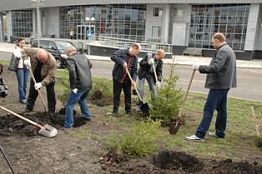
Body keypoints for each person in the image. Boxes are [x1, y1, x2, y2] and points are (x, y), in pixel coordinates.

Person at [186, 32, 237, 141]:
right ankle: (220, 132)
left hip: (218, 85)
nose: (212, 44)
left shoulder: (223, 51)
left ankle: (199, 134)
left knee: (208, 109)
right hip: (225, 84)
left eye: (213, 42)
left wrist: (199, 67)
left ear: (218, 40)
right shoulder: (229, 49)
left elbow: (216, 67)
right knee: (222, 109)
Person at [22, 48, 57, 123]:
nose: (43, 62)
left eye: (44, 60)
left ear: (46, 56)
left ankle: (51, 112)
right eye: (41, 60)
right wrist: (25, 59)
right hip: (35, 76)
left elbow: (50, 76)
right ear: (37, 56)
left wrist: (41, 83)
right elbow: (24, 50)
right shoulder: (34, 51)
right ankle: (29, 108)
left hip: (48, 79)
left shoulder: (52, 61)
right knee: (32, 93)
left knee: (51, 95)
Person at [62, 46, 93, 128]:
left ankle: (68, 125)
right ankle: (87, 116)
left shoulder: (71, 59)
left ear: (68, 53)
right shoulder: (84, 56)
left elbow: (72, 72)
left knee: (69, 105)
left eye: (66, 54)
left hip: (79, 85)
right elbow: (90, 65)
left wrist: (73, 87)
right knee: (82, 99)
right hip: (88, 84)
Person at [108, 43, 141, 115]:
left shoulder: (135, 58)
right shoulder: (122, 52)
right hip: (118, 77)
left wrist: (134, 80)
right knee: (116, 94)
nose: (138, 53)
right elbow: (113, 56)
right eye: (138, 51)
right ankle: (115, 111)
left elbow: (135, 71)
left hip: (127, 80)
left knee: (128, 94)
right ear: (134, 48)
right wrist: (122, 62)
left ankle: (128, 110)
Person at [12, 38, 29, 104]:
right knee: (21, 84)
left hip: (26, 68)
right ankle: (22, 98)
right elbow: (17, 55)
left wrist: (29, 64)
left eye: (24, 43)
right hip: (20, 68)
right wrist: (23, 51)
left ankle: (23, 97)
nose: (23, 44)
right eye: (21, 42)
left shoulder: (26, 49)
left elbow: (29, 57)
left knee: (25, 84)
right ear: (18, 43)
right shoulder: (16, 49)